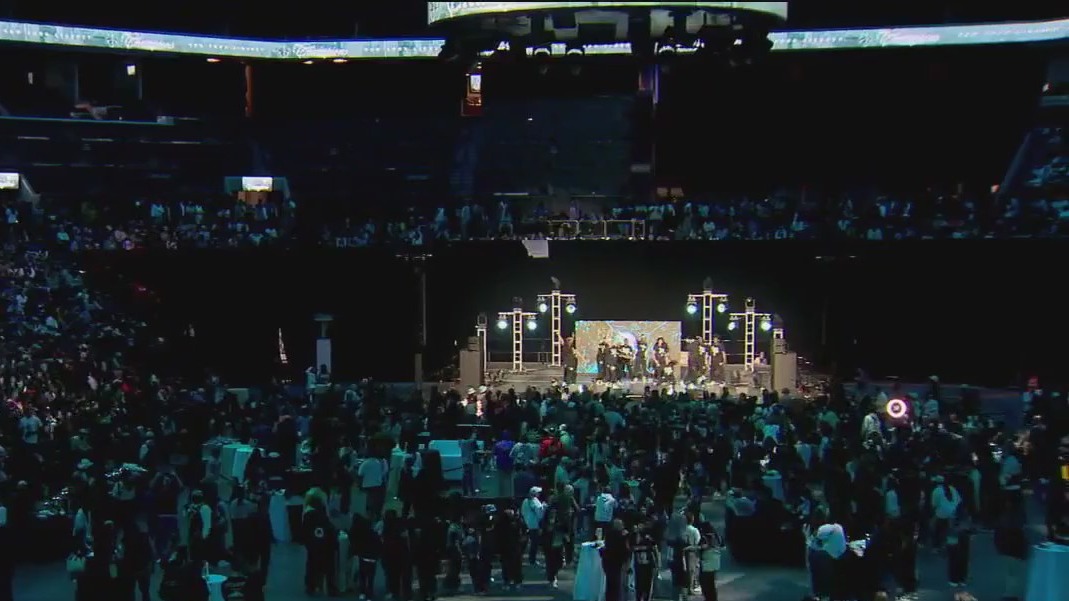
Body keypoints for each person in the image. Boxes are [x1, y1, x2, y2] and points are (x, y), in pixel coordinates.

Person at [302, 492, 339, 596]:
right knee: (329, 568)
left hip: (313, 546)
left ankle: (311, 586)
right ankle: (331, 588)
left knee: (311, 566)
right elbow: (330, 530)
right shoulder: (323, 515)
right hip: (326, 546)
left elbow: (304, 532)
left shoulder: (307, 515)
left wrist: (308, 544)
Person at [633, 526, 660, 601]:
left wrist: (657, 563)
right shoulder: (634, 539)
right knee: (639, 586)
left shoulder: (649, 540)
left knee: (647, 586)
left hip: (648, 566)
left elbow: (656, 550)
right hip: (639, 566)